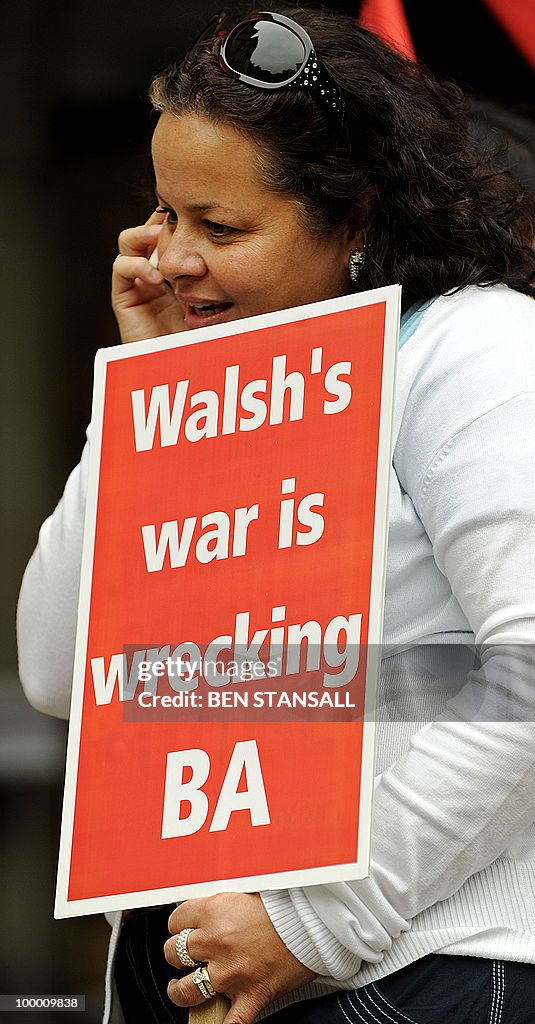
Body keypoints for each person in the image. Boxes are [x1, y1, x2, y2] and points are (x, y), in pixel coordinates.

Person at [17, 4, 535, 1024]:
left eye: (221, 226)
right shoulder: (222, 371)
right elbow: (58, 669)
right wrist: (147, 393)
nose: (170, 257)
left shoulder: (471, 349)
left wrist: (312, 920)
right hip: (204, 963)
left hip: (406, 967)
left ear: (355, 217)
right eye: (165, 213)